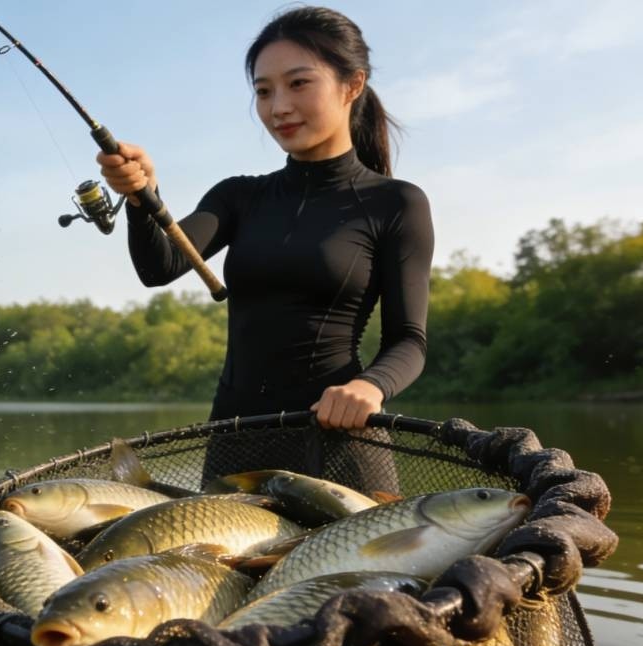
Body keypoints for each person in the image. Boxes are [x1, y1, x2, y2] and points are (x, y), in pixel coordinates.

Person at [97, 6, 433, 490]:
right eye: (263, 91)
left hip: (338, 443)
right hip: (235, 443)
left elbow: (409, 341)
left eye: (299, 84)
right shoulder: (238, 196)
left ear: (352, 85)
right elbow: (159, 266)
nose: (279, 107)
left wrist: (369, 386)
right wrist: (140, 197)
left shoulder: (397, 203)